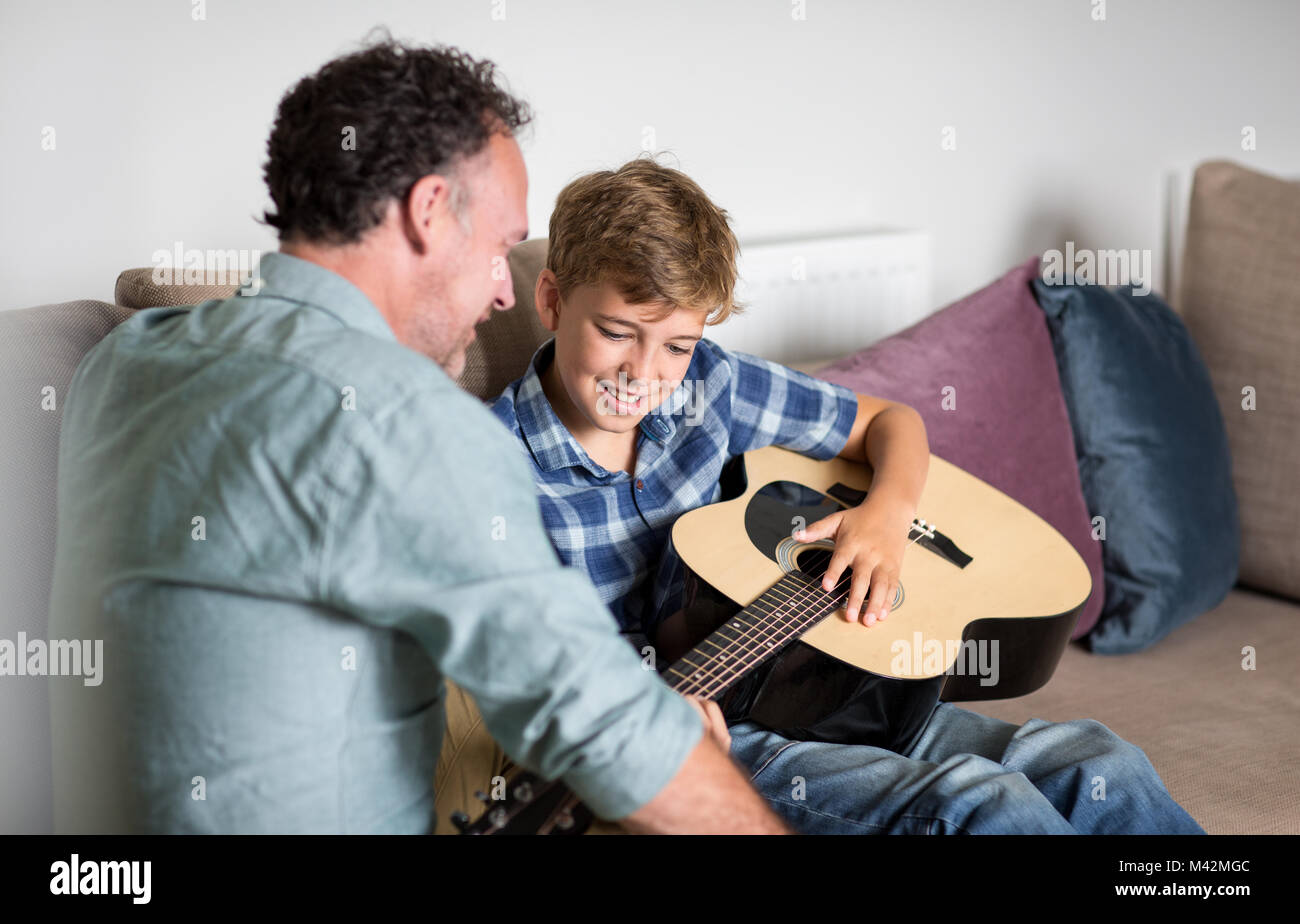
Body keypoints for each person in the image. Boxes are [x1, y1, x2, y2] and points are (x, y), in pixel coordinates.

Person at [45, 36, 788, 834]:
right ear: (430, 210)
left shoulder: (124, 361)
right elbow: (601, 724)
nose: (506, 291)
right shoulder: (401, 420)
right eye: (503, 246)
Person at [488, 156, 1207, 834]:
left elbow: (893, 422)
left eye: (675, 344)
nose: (645, 372)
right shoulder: (487, 470)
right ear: (551, 300)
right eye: (617, 333)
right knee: (984, 807)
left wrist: (884, 518)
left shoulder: (713, 385)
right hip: (725, 738)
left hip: (833, 682)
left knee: (1100, 761)